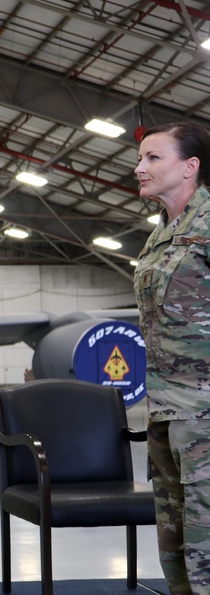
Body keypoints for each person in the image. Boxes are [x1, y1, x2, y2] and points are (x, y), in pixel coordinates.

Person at [133, 121, 210, 594]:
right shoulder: (161, 236)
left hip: (204, 415)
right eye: (140, 158)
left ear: (190, 167)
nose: (139, 168)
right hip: (166, 412)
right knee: (176, 542)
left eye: (153, 158)